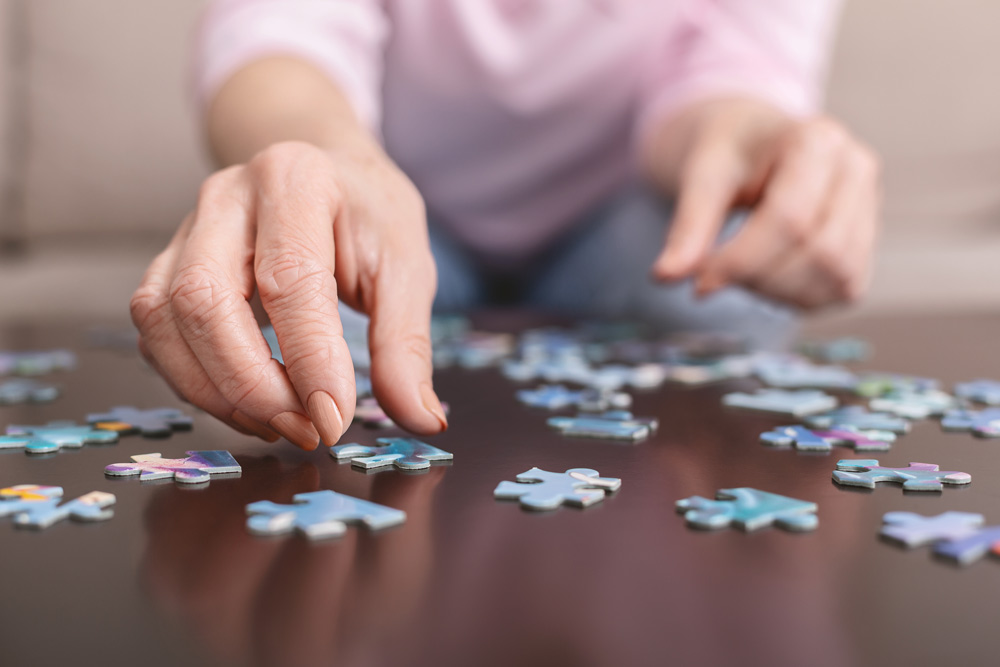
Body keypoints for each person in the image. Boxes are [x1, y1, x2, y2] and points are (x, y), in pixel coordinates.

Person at [130, 0, 880, 451]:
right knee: (285, 318)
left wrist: (752, 138)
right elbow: (282, 36)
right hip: (398, 213)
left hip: (618, 227)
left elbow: (725, 76)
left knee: (725, 259)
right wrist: (320, 155)